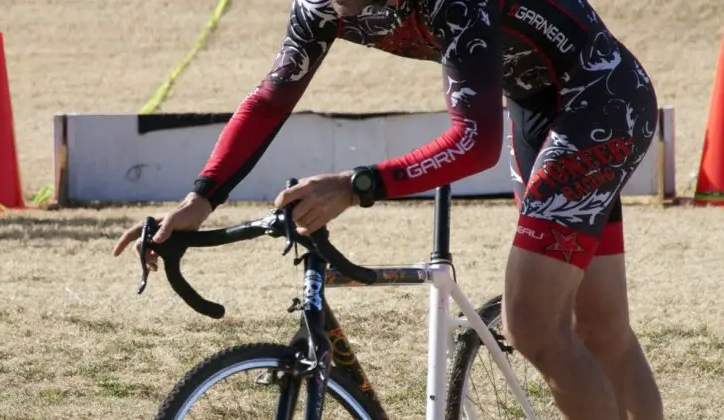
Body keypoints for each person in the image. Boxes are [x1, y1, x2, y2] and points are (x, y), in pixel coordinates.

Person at [112, 0, 664, 418]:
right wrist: (199, 199)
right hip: (535, 104)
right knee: (600, 324)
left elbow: (474, 142)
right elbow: (270, 98)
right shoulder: (320, 7)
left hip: (602, 97)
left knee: (534, 325)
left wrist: (357, 185)